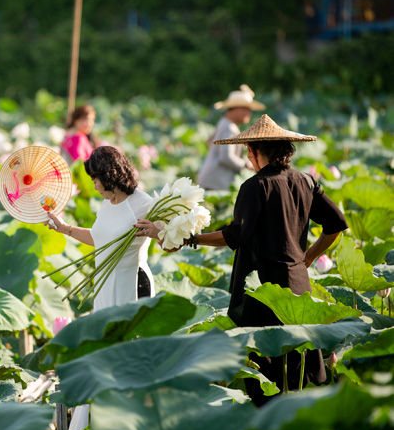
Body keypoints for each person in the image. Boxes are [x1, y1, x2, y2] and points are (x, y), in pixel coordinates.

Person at [136, 115, 348, 406]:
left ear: (254, 151)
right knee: (295, 378)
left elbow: (235, 235)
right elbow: (336, 224)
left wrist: (189, 238)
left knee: (266, 382)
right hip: (298, 288)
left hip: (262, 293)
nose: (248, 157)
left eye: (249, 150)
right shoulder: (306, 181)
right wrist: (307, 257)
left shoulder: (254, 186)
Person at [46, 145, 155, 430]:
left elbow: (170, 238)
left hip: (132, 283)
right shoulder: (107, 204)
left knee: (128, 355)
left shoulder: (143, 203)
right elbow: (98, 238)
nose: (93, 185)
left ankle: (134, 423)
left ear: (109, 174)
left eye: (95, 179)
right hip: (106, 284)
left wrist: (157, 228)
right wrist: (64, 228)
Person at [197, 84, 265, 190]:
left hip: (211, 181)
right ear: (237, 109)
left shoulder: (224, 123)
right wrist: (246, 165)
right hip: (215, 184)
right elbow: (226, 157)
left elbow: (210, 141)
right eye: (247, 109)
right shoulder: (229, 128)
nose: (249, 114)